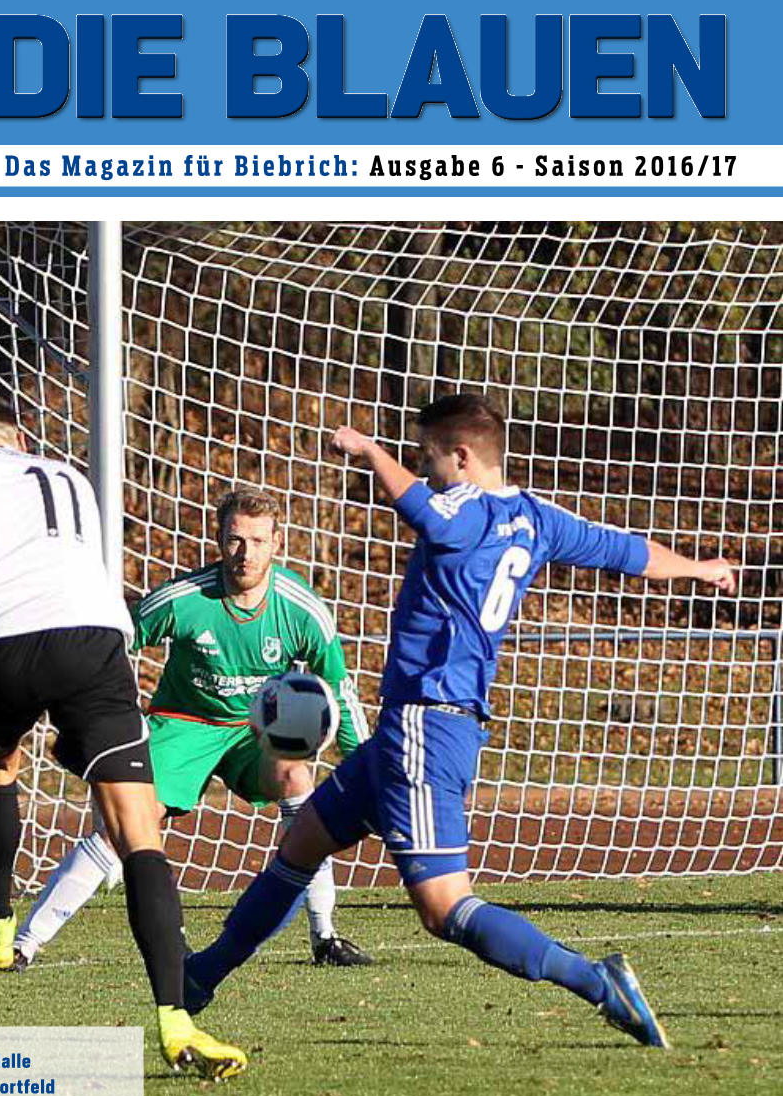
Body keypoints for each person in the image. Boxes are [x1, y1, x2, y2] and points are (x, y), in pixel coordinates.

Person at [182, 393, 739, 1049]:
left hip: (426, 725)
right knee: (303, 841)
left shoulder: (462, 508)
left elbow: (420, 507)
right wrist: (698, 569)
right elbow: (624, 550)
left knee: (445, 908)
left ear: (465, 456)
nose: (428, 470)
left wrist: (367, 449)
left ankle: (599, 982)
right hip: (415, 728)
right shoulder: (535, 517)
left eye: (432, 457)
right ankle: (195, 980)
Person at [0, 393, 247, 1081]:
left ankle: (0, 926)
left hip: (3, 641)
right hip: (94, 640)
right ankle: (175, 1019)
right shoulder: (66, 473)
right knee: (138, 830)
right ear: (19, 435)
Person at [0, 488, 373, 973]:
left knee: (297, 777)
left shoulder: (302, 609)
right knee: (128, 823)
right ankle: (25, 944)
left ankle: (325, 936)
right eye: (236, 539)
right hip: (185, 724)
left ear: (277, 544)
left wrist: (367, 767)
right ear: (219, 539)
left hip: (254, 730)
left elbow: (337, 691)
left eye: (258, 541)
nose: (246, 553)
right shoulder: (185, 600)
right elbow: (107, 639)